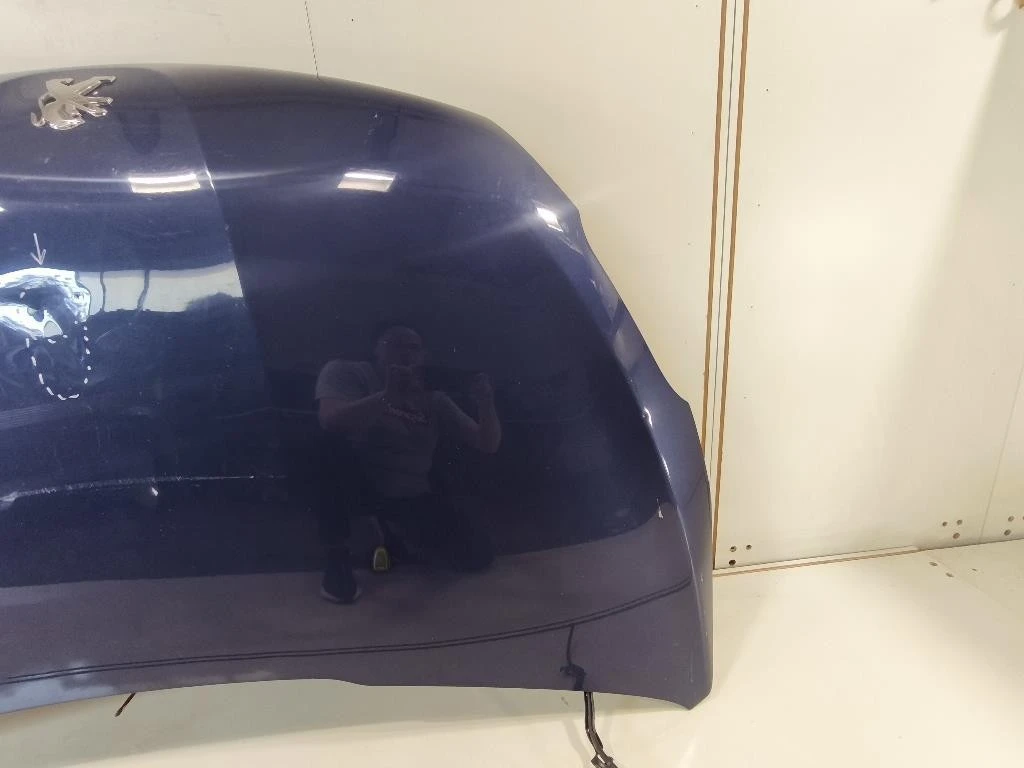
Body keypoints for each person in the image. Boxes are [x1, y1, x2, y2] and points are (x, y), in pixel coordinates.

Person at [314, 325, 501, 603]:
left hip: (410, 494)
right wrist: (387, 396)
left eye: (414, 348)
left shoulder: (433, 397)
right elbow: (330, 420)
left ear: (423, 356)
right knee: (326, 444)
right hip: (359, 486)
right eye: (395, 344)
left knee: (478, 555)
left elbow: (487, 443)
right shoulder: (347, 372)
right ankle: (337, 554)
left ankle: (390, 531)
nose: (406, 353)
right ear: (375, 350)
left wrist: (486, 403)